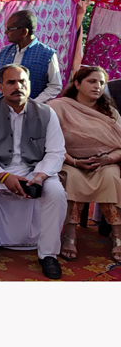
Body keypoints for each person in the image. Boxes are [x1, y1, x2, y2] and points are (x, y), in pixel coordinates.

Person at [0, 64, 67, 279]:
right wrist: (3, 176)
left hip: (35, 169)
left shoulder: (46, 113)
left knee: (56, 193)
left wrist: (41, 175)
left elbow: (56, 152)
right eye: (11, 82)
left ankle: (48, 254)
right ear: (0, 88)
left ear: (29, 85)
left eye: (22, 82)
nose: (17, 86)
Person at [49, 66, 121, 263]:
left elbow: (120, 146)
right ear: (78, 84)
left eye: (101, 83)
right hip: (69, 162)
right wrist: (73, 161)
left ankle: (117, 236)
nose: (98, 86)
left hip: (104, 164)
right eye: (92, 81)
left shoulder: (110, 113)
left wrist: (108, 159)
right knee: (71, 178)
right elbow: (50, 142)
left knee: (112, 177)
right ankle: (70, 235)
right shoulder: (59, 107)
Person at [0, 10, 62, 103]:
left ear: (24, 32)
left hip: (30, 110)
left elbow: (55, 85)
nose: (6, 32)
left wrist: (34, 104)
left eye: (10, 29)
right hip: (2, 108)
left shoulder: (47, 54)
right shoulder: (4, 52)